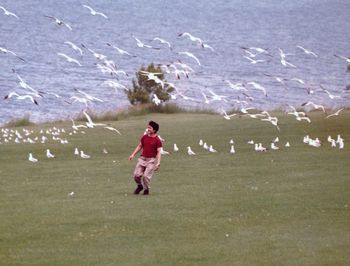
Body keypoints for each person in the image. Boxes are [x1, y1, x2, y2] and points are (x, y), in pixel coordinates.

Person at [128, 121, 162, 195]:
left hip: (151, 160)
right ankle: (140, 186)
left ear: (154, 130)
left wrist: (158, 163)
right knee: (136, 175)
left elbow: (159, 152)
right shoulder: (144, 137)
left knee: (146, 176)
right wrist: (133, 154)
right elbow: (140, 146)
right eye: (148, 127)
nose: (148, 129)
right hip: (142, 159)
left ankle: (146, 190)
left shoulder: (157, 140)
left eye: (150, 128)